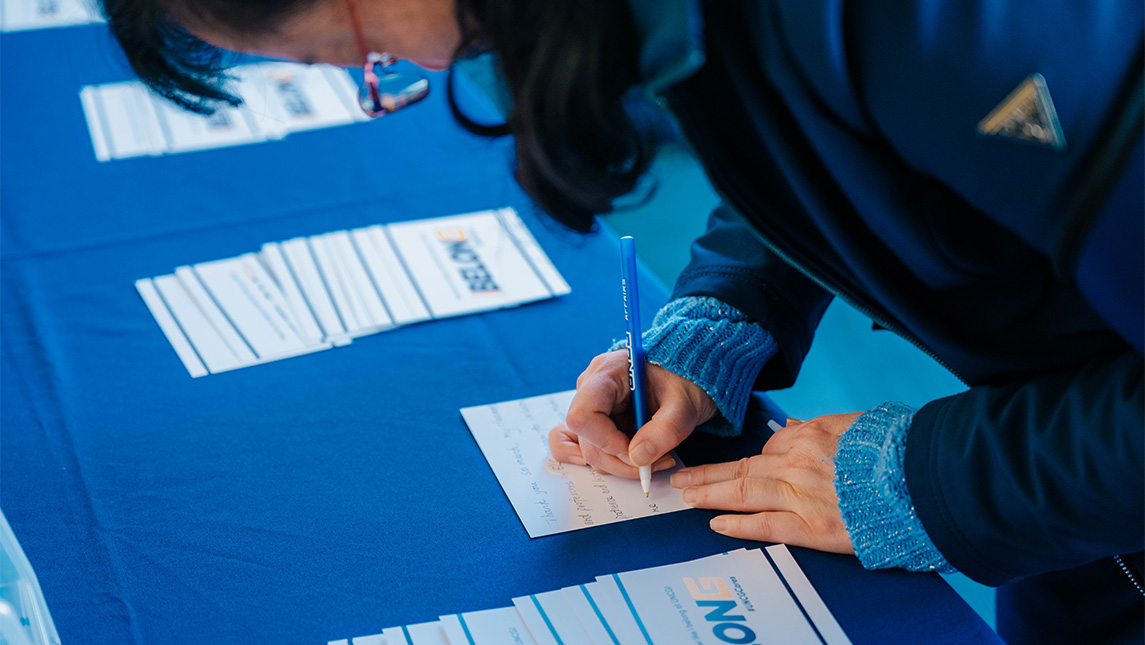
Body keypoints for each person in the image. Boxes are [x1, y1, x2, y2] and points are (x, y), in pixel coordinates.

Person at [95, 0, 1143, 641]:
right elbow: (829, 145)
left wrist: (940, 479)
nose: (421, 73)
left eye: (356, 54)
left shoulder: (941, 26)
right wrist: (727, 310)